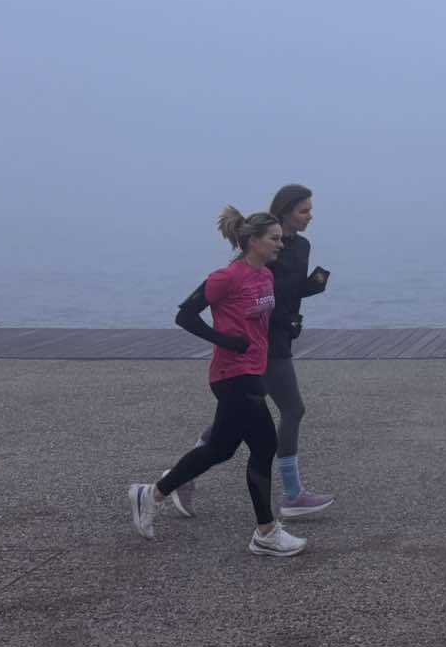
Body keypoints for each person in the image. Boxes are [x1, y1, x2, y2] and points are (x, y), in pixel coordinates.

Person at [127, 208, 308, 557]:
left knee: (220, 449)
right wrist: (225, 340)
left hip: (253, 370)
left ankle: (152, 493)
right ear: (252, 241)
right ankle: (266, 532)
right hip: (232, 375)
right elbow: (185, 315)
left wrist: (286, 326)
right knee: (264, 445)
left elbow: (260, 321)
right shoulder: (227, 277)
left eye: (280, 240)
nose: (280, 245)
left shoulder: (265, 276)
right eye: (274, 239)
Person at [174, 184, 333, 519]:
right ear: (286, 210)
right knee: (292, 410)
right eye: (304, 210)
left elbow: (284, 293)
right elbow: (248, 285)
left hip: (279, 336)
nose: (310, 216)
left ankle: (178, 478)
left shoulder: (301, 245)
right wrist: (227, 337)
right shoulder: (261, 246)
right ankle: (291, 496)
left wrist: (305, 297)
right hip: (258, 340)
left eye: (311, 209)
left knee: (229, 424)